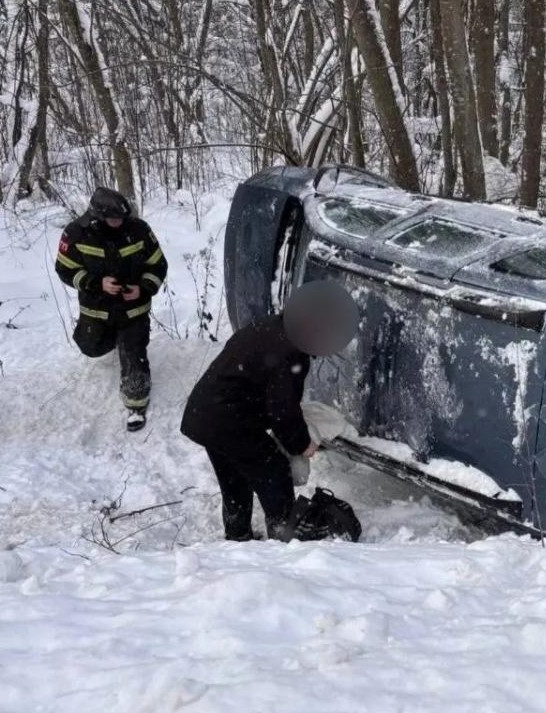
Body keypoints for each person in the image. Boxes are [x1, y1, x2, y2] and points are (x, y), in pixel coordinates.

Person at [181, 281, 360, 541]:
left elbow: (271, 398)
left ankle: (237, 535)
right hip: (228, 420)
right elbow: (282, 410)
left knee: (234, 479)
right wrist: (302, 444)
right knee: (273, 470)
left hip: (204, 414)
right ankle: (281, 535)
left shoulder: (270, 328)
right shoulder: (290, 352)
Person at [55, 187, 169, 432]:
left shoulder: (139, 230)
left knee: (133, 351)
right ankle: (115, 342)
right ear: (98, 216)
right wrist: (96, 283)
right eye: (114, 219)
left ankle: (136, 405)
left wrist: (144, 288)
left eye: (122, 218)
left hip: (133, 309)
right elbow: (64, 269)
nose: (119, 223)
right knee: (91, 347)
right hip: (97, 309)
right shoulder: (76, 233)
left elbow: (158, 264)